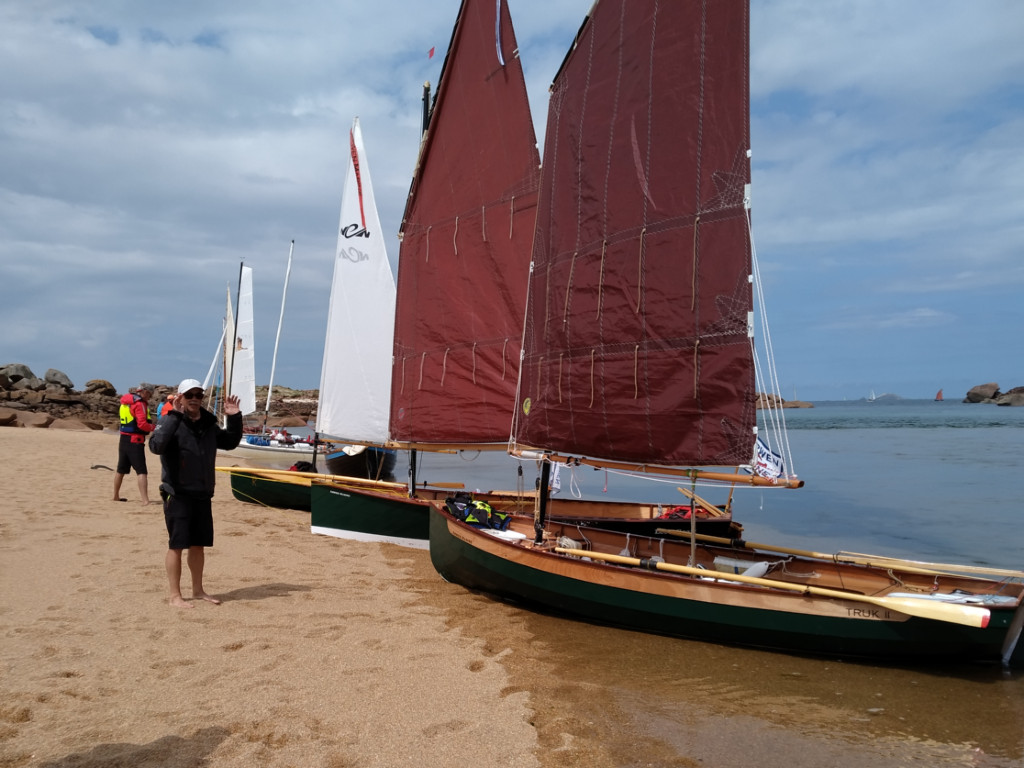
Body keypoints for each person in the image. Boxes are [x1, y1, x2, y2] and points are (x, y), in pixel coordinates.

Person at [149, 378, 242, 608]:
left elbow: (230, 442)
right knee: (177, 545)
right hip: (177, 493)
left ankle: (198, 590)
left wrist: (234, 417)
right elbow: (156, 446)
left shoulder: (208, 424)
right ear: (179, 397)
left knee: (198, 544)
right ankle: (174, 596)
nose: (194, 399)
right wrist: (174, 417)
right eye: (189, 395)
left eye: (198, 395)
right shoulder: (170, 421)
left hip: (202, 493)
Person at [113, 382, 156, 505]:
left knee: (120, 469)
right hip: (135, 440)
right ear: (145, 392)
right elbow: (142, 424)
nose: (150, 397)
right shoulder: (139, 403)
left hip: (123, 439)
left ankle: (115, 495)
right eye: (150, 394)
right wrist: (155, 427)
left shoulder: (125, 402)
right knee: (142, 471)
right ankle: (145, 500)